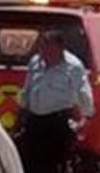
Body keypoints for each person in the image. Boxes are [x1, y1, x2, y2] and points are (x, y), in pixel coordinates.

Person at [17, 30, 94, 173]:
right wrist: (21, 113)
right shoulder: (35, 62)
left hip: (58, 121)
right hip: (35, 120)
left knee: (53, 164)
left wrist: (86, 117)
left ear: (60, 48)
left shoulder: (73, 66)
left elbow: (83, 92)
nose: (45, 55)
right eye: (42, 49)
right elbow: (27, 89)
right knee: (29, 162)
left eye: (49, 50)